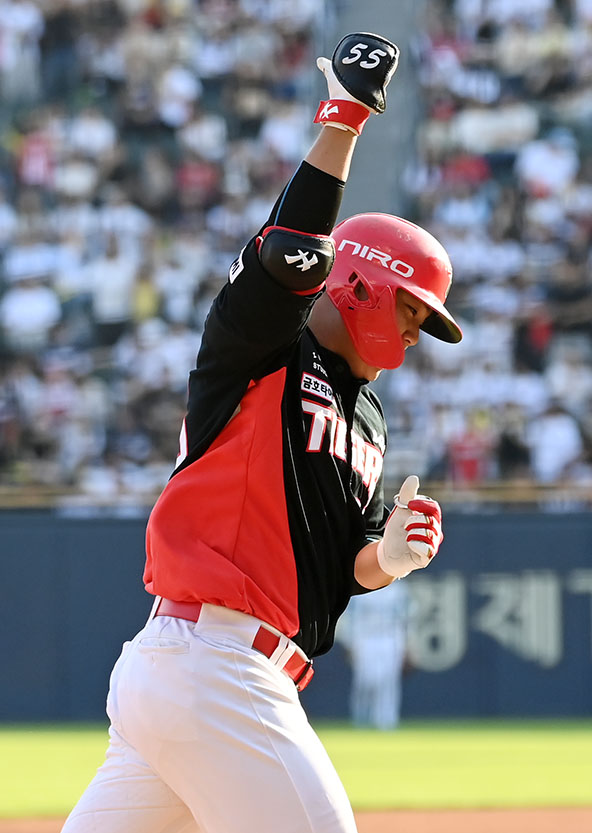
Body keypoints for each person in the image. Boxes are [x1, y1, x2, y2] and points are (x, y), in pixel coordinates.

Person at [63, 33, 462, 833]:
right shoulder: (264, 345)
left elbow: (341, 567)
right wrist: (344, 118)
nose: (419, 335)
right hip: (215, 665)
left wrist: (388, 555)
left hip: (193, 671)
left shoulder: (370, 416)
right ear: (359, 287)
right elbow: (290, 253)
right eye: (414, 311)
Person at [337, 577, 411, 730]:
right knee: (365, 681)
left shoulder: (398, 588)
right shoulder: (361, 586)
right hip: (365, 638)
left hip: (390, 639)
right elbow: (350, 617)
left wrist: (406, 645)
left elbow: (405, 620)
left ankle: (387, 721)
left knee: (388, 682)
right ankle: (361, 719)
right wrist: (350, 641)